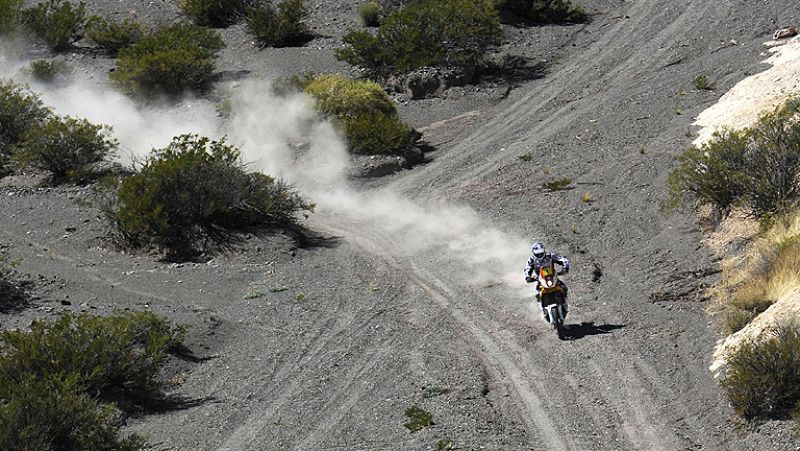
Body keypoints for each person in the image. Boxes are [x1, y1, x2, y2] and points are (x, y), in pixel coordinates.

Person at [524, 242, 570, 321]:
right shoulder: (531, 260)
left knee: (564, 287)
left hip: (552, 277)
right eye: (537, 254)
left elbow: (562, 259)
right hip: (541, 280)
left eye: (541, 253)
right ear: (534, 253)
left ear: (544, 251)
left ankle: (565, 303)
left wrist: (565, 267)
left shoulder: (550, 256)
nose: (539, 255)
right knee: (537, 294)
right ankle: (542, 310)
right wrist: (528, 277)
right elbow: (527, 269)